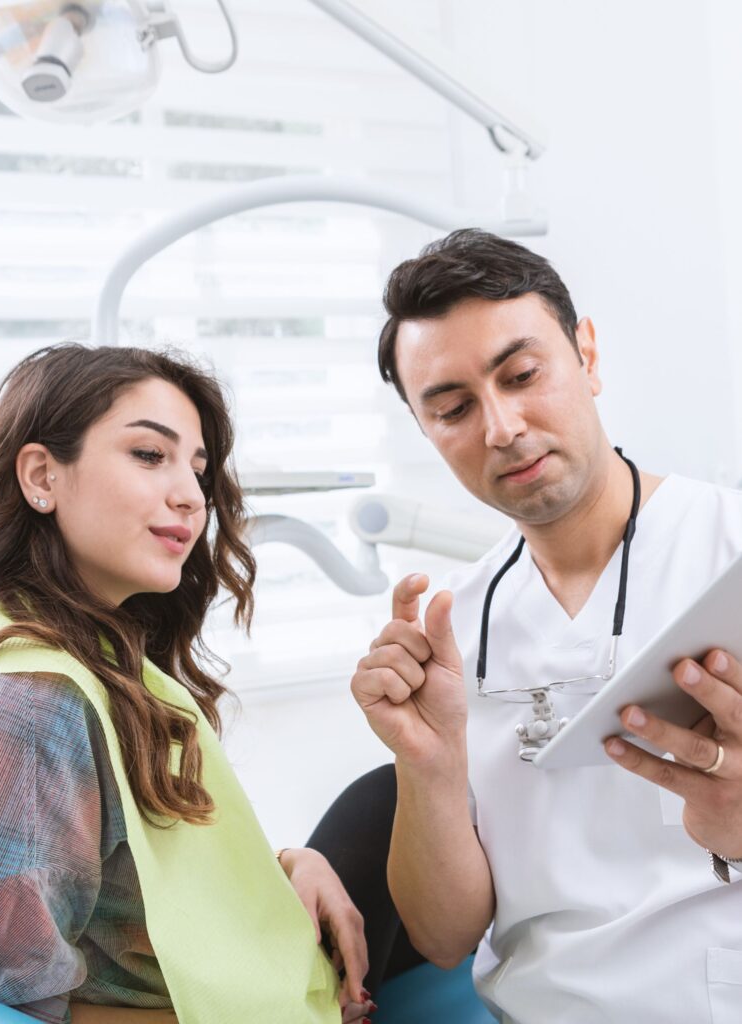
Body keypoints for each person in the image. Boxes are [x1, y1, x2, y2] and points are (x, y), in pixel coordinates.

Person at [350, 229, 742, 1023]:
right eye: (453, 407)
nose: (500, 427)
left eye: (522, 375)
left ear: (586, 357)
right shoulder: (451, 627)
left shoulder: (725, 547)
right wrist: (426, 763)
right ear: (427, 433)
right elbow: (443, 936)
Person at [0, 344, 377, 1024]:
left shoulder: (51, 644)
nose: (191, 497)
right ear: (42, 475)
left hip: (274, 972)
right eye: (147, 455)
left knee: (390, 799)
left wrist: (285, 866)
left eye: (197, 469)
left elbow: (135, 874)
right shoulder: (32, 701)